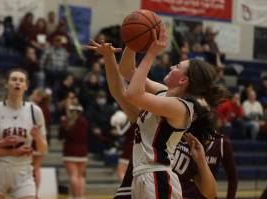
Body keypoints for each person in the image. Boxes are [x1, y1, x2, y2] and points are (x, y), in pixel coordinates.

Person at [86, 25, 228, 198]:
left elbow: (132, 94)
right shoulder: (162, 94)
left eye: (177, 66)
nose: (172, 65)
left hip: (157, 176)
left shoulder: (181, 107)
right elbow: (127, 72)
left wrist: (151, 53)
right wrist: (133, 42)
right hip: (142, 176)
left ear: (183, 80)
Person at [0, 68, 48, 199]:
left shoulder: (35, 111)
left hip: (23, 172)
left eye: (21, 80)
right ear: (6, 84)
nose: (17, 83)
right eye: (14, 79)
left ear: (26, 86)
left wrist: (38, 137)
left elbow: (43, 149)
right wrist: (3, 143)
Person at [173, 131, 238, 199]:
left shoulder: (221, 143)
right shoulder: (180, 139)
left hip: (208, 193)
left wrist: (202, 162)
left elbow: (232, 176)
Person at [58, 94, 88, 199]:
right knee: (81, 176)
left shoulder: (65, 122)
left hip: (69, 151)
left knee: (73, 176)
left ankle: (75, 196)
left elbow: (60, 137)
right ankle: (81, 196)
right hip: (82, 152)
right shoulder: (84, 122)